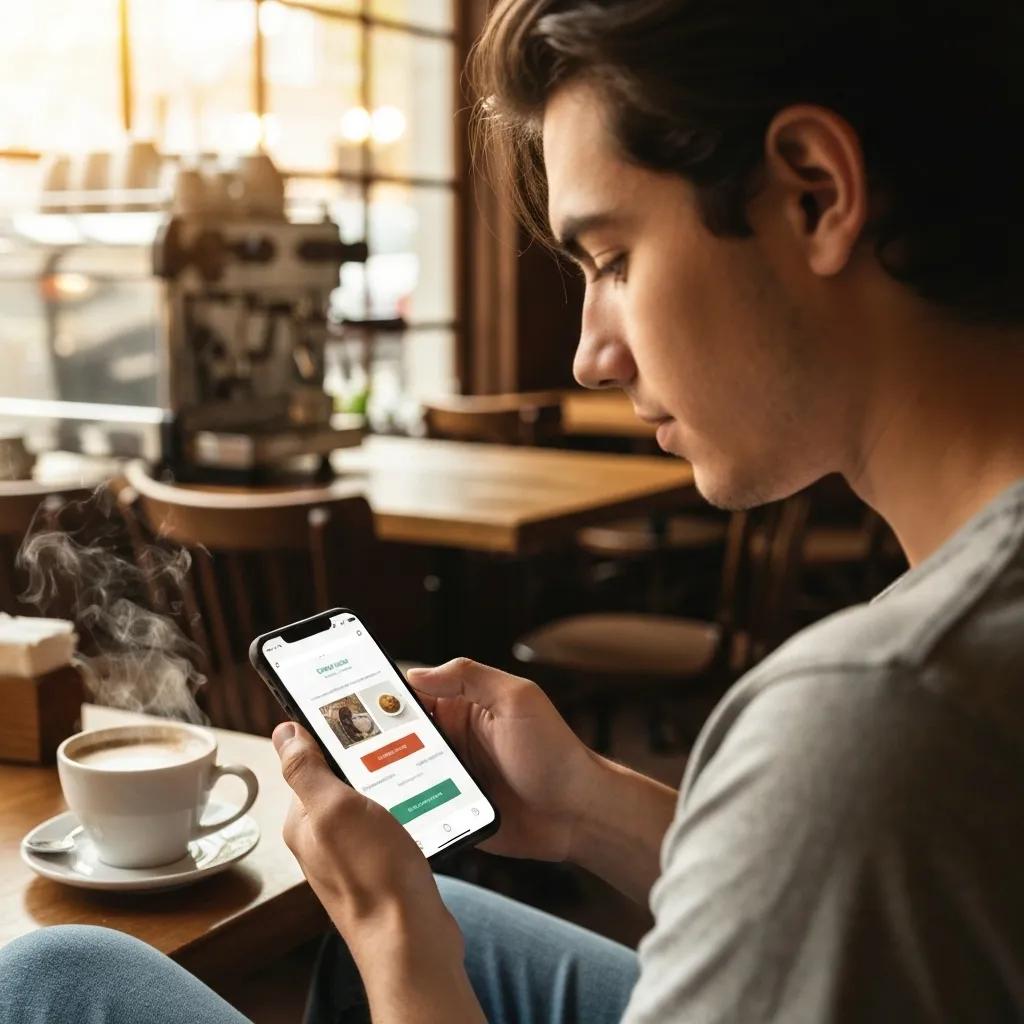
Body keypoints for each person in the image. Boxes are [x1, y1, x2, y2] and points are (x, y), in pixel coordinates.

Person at [4, 0, 1024, 1020]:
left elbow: (848, 818)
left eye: (613, 259)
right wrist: (586, 808)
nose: (590, 356)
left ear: (813, 194)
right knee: (447, 916)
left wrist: (397, 938)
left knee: (56, 977)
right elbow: (815, 883)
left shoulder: (875, 712)